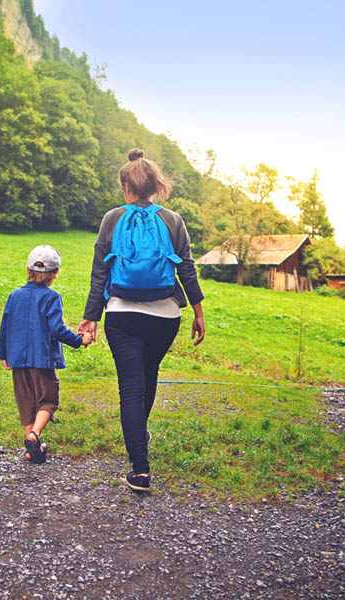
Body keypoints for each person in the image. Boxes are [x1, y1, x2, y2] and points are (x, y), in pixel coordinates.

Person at [78, 148, 205, 493]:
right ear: (155, 185)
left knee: (131, 387)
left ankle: (140, 468)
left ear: (126, 186)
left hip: (121, 314)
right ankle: (140, 435)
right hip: (166, 315)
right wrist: (197, 310)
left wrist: (90, 317)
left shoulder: (112, 218)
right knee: (148, 376)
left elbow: (100, 271)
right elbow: (187, 268)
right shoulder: (173, 219)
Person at [0, 244, 93, 464]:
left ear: (27, 270)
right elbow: (57, 329)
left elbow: (5, 325)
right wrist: (80, 340)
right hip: (43, 360)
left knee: (26, 401)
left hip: (18, 359)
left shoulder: (14, 296)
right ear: (55, 273)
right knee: (48, 401)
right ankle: (34, 435)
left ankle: (33, 450)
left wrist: (3, 353)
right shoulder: (52, 298)